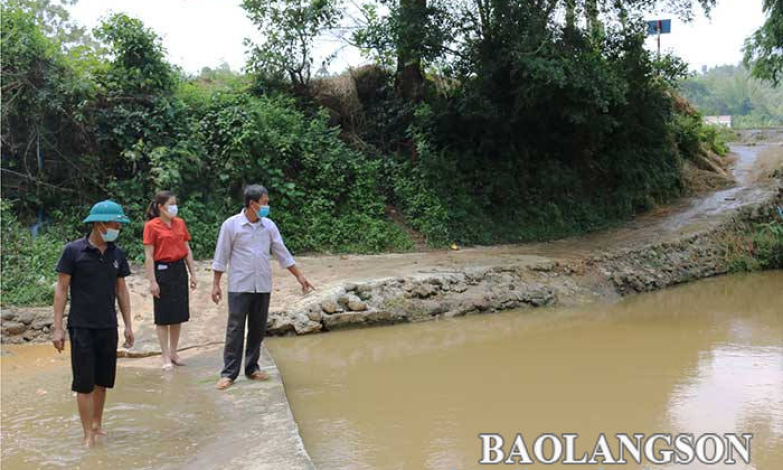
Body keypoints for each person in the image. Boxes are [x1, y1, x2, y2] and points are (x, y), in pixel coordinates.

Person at [211, 184, 314, 390]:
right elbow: (221, 255)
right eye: (265, 203)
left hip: (263, 285)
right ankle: (229, 373)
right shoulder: (231, 225)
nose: (267, 207)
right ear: (252, 203)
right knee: (235, 329)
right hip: (240, 285)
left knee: (258, 328)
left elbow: (281, 252)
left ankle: (252, 368)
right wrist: (216, 284)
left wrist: (299, 276)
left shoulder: (269, 226)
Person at [52, 200, 135, 447]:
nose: (118, 228)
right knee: (84, 382)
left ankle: (97, 424)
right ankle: (87, 433)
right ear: (99, 224)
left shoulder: (116, 254)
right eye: (115, 223)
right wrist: (57, 327)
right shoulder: (73, 251)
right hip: (81, 326)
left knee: (102, 380)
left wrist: (128, 325)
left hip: (108, 326)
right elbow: (61, 290)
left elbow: (122, 290)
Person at [143, 191, 197, 369]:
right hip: (162, 270)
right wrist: (152, 281)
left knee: (178, 314)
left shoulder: (180, 223)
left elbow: (187, 248)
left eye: (175, 204)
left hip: (179, 270)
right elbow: (149, 256)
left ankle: (174, 352)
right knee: (163, 315)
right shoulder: (151, 226)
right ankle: (164, 355)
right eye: (170, 204)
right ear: (160, 207)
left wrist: (193, 273)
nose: (174, 208)